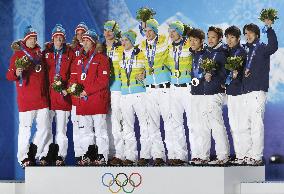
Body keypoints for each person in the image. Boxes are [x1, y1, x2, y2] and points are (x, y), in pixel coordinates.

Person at [6, 25, 51, 167]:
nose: (33, 40)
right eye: (31, 38)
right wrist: (16, 73)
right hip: (26, 99)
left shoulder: (40, 54)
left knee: (45, 128)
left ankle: (33, 153)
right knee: (25, 129)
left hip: (42, 98)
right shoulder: (17, 55)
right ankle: (23, 157)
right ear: (25, 39)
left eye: (35, 38)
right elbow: (9, 75)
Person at [189, 27, 229, 165]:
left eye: (213, 37)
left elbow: (225, 72)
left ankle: (223, 156)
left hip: (216, 92)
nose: (210, 40)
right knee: (204, 125)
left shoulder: (222, 52)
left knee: (216, 124)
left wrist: (215, 76)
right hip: (205, 92)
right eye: (209, 37)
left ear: (219, 38)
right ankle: (203, 155)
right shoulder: (208, 52)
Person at [70, 29, 110, 166]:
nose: (84, 42)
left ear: (93, 43)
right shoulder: (78, 60)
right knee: (85, 132)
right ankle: (88, 154)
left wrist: (86, 91)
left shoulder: (102, 58)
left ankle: (102, 156)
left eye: (87, 40)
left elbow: (103, 81)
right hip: (83, 102)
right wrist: (74, 89)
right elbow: (73, 78)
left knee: (100, 131)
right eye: (84, 40)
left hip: (97, 100)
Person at [241, 20, 278, 165]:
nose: (247, 35)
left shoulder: (262, 48)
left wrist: (268, 28)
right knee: (247, 124)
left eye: (250, 33)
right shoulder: (244, 50)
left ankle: (257, 156)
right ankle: (249, 154)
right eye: (245, 33)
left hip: (258, 90)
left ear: (256, 34)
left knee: (256, 123)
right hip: (245, 90)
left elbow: (273, 46)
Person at [42, 24, 75, 166]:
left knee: (61, 130)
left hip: (63, 97)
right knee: (46, 128)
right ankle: (45, 155)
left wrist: (67, 89)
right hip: (48, 97)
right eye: (57, 38)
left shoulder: (70, 54)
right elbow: (40, 75)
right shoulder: (46, 54)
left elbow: (74, 75)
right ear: (53, 39)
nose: (59, 41)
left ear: (64, 40)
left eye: (61, 38)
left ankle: (60, 156)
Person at [139, 18, 169, 166]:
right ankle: (158, 155)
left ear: (156, 31)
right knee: (152, 124)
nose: (148, 33)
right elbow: (143, 64)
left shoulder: (164, 41)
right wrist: (142, 74)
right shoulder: (142, 46)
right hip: (150, 89)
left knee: (170, 123)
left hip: (164, 88)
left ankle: (176, 156)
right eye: (146, 31)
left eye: (151, 30)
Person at [119, 30, 148, 166]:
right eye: (122, 40)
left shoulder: (141, 53)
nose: (123, 43)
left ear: (132, 41)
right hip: (125, 94)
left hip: (139, 93)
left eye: (126, 40)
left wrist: (145, 74)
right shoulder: (120, 55)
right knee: (127, 127)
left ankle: (145, 155)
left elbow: (149, 69)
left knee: (144, 125)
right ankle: (130, 156)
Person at [166, 21, 191, 166]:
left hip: (187, 87)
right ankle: (181, 156)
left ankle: (198, 156)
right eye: (169, 31)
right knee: (176, 123)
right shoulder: (168, 48)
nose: (171, 34)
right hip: (174, 88)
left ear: (180, 32)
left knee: (192, 123)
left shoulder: (189, 45)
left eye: (173, 31)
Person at [224, 26, 247, 165]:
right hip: (231, 92)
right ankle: (239, 155)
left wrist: (236, 76)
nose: (229, 40)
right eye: (227, 37)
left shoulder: (241, 52)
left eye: (232, 37)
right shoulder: (228, 51)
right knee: (234, 125)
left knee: (241, 125)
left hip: (240, 93)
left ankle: (245, 155)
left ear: (238, 38)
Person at [103, 20, 124, 166]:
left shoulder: (121, 46)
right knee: (105, 121)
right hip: (103, 89)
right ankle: (109, 154)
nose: (108, 32)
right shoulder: (100, 48)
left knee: (117, 121)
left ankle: (120, 154)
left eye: (111, 30)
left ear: (115, 31)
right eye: (106, 29)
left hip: (117, 88)